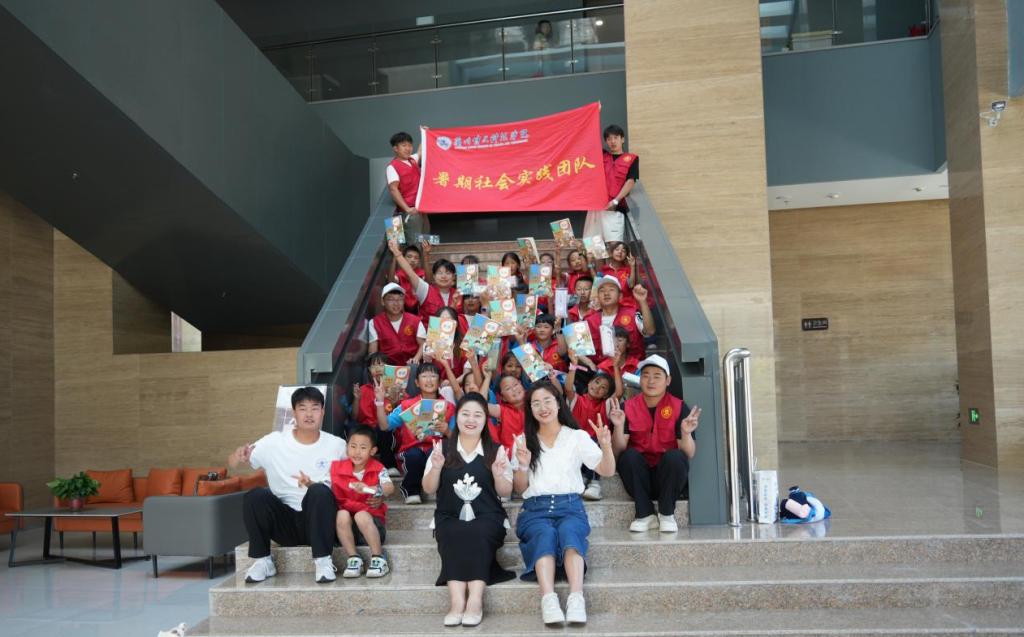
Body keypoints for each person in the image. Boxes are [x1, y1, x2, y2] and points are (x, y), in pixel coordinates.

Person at [513, 381, 615, 625]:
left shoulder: (576, 437)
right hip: (535, 509)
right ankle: (548, 599)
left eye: (547, 401)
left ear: (558, 404)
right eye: (536, 403)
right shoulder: (524, 440)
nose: (543, 407)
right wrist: (523, 466)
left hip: (570, 506)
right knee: (544, 535)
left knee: (570, 533)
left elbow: (607, 470)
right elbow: (520, 488)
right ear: (530, 409)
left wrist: (606, 446)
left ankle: (576, 598)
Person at [229, 387, 346, 584]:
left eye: (315, 408)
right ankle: (263, 561)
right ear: (294, 413)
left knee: (319, 490)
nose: (309, 414)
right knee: (255, 496)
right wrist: (238, 455)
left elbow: (356, 475)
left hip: (320, 522)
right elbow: (233, 462)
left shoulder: (337, 445)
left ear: (323, 412)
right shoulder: (274, 441)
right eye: (303, 408)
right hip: (284, 524)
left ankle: (324, 561)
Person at [422, 393, 516, 627]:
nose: (471, 420)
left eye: (477, 415)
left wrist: (498, 475)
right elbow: (428, 488)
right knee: (452, 532)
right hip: (449, 514)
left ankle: (475, 601)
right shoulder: (441, 448)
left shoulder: (496, 451)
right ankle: (456, 603)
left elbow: (505, 491)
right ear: (457, 417)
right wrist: (436, 468)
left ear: (486, 420)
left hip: (488, 515)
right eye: (465, 414)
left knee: (478, 531)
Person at [610, 355, 700, 534]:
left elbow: (689, 453)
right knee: (628, 456)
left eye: (657, 376)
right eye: (645, 375)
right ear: (640, 379)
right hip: (639, 479)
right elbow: (617, 450)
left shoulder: (679, 407)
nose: (651, 381)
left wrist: (685, 433)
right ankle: (644, 515)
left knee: (676, 457)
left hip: (667, 478)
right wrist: (618, 426)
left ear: (668, 380)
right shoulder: (627, 407)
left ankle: (667, 514)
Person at [299, 426, 394, 578]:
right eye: (353, 446)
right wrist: (309, 483)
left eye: (363, 448)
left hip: (372, 527)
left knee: (361, 515)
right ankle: (353, 558)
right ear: (347, 447)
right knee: (341, 514)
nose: (357, 452)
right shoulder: (336, 468)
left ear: (373, 451)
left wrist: (370, 489)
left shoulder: (378, 469)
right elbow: (324, 488)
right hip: (344, 531)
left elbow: (389, 488)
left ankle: (378, 558)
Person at [376, 363, 456, 504]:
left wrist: (447, 431)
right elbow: (384, 426)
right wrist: (380, 402)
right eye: (424, 376)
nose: (429, 380)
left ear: (439, 381)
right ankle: (412, 491)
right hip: (411, 450)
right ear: (417, 382)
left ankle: (442, 490)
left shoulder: (449, 407)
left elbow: (457, 439)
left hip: (436, 449)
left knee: (436, 453)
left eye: (433, 376)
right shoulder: (407, 405)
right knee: (415, 455)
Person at [566, 353, 623, 501]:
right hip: (576, 446)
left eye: (603, 388)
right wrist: (573, 366)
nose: (598, 387)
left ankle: (594, 484)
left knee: (597, 443)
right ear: (589, 383)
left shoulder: (606, 405)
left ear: (605, 395)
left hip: (594, 445)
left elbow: (618, 392)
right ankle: (581, 478)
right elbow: (568, 389)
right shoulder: (577, 400)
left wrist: (615, 366)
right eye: (597, 382)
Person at [389, 239, 462, 322]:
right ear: (434, 276)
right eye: (440, 273)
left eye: (448, 273)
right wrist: (396, 252)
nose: (444, 276)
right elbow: (409, 272)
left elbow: (468, 317)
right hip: (428, 330)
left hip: (454, 329)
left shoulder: (460, 294)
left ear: (453, 277)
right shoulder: (425, 290)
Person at [586, 276, 654, 362]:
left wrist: (642, 301)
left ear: (620, 296)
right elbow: (580, 350)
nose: (606, 293)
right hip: (601, 368)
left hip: (632, 367)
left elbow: (650, 331)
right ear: (598, 297)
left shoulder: (633, 314)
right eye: (602, 291)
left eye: (611, 290)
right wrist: (590, 364)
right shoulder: (589, 321)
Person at [353, 352, 399, 473]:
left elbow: (404, 414)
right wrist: (357, 399)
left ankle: (389, 466)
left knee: (383, 429)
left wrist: (395, 402)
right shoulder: (363, 390)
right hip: (368, 432)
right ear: (369, 370)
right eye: (374, 366)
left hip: (389, 433)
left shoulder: (396, 389)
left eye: (382, 365)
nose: (378, 369)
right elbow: (355, 418)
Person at [368, 283, 426, 367]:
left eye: (400, 299)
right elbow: (373, 351)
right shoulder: (374, 323)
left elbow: (423, 344)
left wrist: (415, 359)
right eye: (391, 299)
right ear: (383, 301)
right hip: (388, 368)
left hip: (412, 365)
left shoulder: (415, 320)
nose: (396, 303)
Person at [386, 131, 429, 242]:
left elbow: (420, 152)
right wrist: (407, 209)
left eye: (410, 145)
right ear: (395, 148)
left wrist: (424, 133)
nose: (408, 148)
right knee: (411, 244)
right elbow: (393, 189)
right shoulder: (392, 167)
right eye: (404, 145)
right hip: (407, 212)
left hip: (420, 210)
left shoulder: (412, 160)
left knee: (426, 242)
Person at [599, 124, 639, 241]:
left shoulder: (632, 158)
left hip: (615, 208)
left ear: (622, 139)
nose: (612, 141)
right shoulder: (601, 155)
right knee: (593, 246)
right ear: (606, 141)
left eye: (616, 138)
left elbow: (631, 181)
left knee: (614, 244)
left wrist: (615, 201)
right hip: (596, 207)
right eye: (609, 139)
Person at [600, 241, 638, 308]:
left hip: (627, 306)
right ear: (611, 252)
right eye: (617, 249)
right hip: (609, 307)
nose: (620, 252)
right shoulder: (604, 269)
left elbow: (631, 285)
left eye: (623, 251)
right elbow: (597, 288)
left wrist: (632, 266)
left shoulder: (627, 270)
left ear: (626, 255)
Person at [392, 243, 425, 313]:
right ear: (403, 258)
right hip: (402, 309)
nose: (413, 260)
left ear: (419, 261)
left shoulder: (422, 273)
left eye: (416, 258)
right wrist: (395, 254)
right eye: (409, 256)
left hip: (419, 309)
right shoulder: (399, 273)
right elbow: (391, 281)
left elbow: (428, 281)